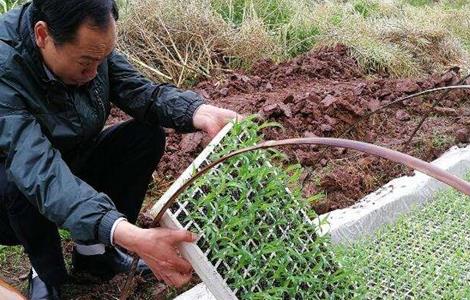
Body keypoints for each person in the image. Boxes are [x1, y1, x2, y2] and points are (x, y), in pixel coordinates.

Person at [0, 0, 239, 299]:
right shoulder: (5, 69)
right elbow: (39, 170)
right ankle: (45, 272)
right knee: (20, 180)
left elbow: (140, 92)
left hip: (68, 156)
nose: (94, 73)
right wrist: (128, 232)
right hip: (14, 189)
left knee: (144, 136)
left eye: (103, 60)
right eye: (86, 63)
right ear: (42, 36)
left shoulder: (92, 48)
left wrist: (197, 111)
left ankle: (95, 254)